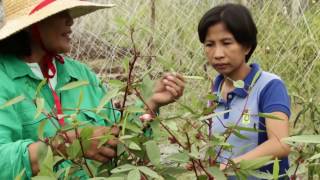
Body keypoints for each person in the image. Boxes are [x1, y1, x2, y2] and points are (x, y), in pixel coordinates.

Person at [0, 0, 185, 179]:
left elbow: (115, 137)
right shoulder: (4, 79)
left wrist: (149, 103)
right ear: (32, 25)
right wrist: (67, 144)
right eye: (60, 13)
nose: (70, 21)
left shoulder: (80, 74)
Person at [198, 3, 291, 179]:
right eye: (210, 44)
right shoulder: (214, 91)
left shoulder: (269, 86)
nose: (217, 54)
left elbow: (281, 144)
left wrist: (230, 166)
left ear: (247, 46)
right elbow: (215, 148)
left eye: (226, 43)